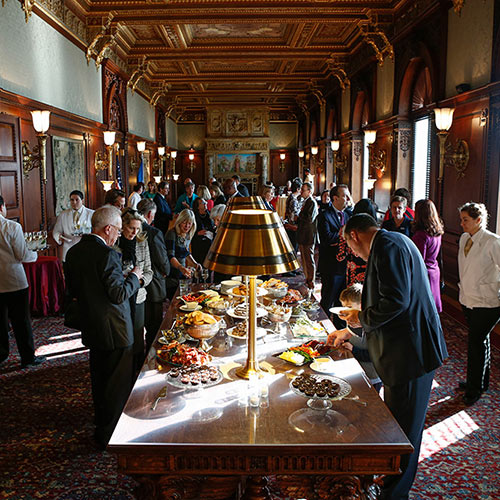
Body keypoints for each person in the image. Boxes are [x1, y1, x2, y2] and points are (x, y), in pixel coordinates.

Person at [334, 214, 447, 500]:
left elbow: (397, 300)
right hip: (407, 349)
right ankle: (392, 484)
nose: (355, 254)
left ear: (354, 236)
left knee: (405, 431)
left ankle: (395, 494)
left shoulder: (387, 246)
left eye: (351, 247)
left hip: (411, 353)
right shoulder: (391, 241)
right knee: (399, 424)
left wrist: (361, 316)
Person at [64, 206, 142, 448]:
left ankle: (101, 425)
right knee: (116, 386)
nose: (118, 235)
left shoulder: (74, 253)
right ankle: (110, 434)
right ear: (108, 229)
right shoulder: (107, 254)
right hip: (116, 329)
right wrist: (135, 278)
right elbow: (118, 294)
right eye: (117, 230)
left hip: (92, 325)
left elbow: (76, 291)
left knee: (99, 379)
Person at [457, 202, 500, 406]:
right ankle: (481, 382)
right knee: (481, 341)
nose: (462, 223)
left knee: (476, 343)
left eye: (465, 220)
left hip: (488, 302)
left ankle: (474, 389)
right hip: (468, 299)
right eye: (461, 219)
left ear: (478, 220)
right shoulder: (465, 238)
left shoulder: (493, 242)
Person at [0, 196, 45, 368]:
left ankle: (2, 354)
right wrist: (35, 255)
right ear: (2, 207)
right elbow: (22, 255)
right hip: (14, 281)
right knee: (21, 321)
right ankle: (27, 357)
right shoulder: (11, 226)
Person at [116, 209, 153, 371]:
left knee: (138, 335)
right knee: (122, 336)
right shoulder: (114, 243)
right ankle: (125, 368)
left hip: (138, 295)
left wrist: (138, 281)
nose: (134, 232)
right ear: (123, 225)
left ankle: (138, 369)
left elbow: (149, 271)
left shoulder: (142, 242)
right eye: (131, 228)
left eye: (138, 229)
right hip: (119, 297)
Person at [327, 284, 382, 393]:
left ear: (362, 305)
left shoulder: (371, 326)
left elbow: (375, 355)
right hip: (356, 368)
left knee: (370, 398)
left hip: (371, 375)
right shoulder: (354, 320)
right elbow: (353, 336)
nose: (346, 311)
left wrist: (354, 350)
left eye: (349, 307)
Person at [137, 199, 170, 354]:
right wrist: (166, 271)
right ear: (150, 214)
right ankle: (150, 356)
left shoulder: (130, 228)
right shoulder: (154, 233)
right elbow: (162, 260)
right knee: (153, 326)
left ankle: (138, 359)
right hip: (154, 285)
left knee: (138, 326)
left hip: (135, 285)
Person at [317, 184, 352, 321]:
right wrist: (344, 235)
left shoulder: (349, 215)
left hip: (345, 266)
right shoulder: (325, 216)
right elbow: (326, 239)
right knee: (328, 300)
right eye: (345, 196)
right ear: (335, 198)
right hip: (331, 266)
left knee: (342, 302)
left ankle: (339, 328)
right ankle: (321, 326)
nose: (348, 199)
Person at [412, 199, 444, 313]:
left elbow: (419, 259)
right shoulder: (436, 231)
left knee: (423, 308)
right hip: (434, 269)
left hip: (424, 273)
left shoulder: (421, 235)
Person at [165, 209, 201, 298]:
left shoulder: (187, 234)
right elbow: (170, 256)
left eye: (190, 223)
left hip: (182, 274)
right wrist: (181, 267)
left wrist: (195, 264)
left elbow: (185, 253)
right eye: (185, 223)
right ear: (179, 221)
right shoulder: (172, 233)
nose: (187, 226)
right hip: (172, 273)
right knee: (174, 301)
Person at [52, 190, 94, 262]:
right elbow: (56, 231)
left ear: (82, 201)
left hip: (86, 249)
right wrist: (59, 238)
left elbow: (95, 231)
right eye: (72, 200)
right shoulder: (63, 215)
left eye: (77, 200)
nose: (74, 202)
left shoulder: (91, 214)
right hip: (68, 249)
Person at [296, 182, 318, 291]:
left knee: (309, 260)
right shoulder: (306, 201)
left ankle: (311, 282)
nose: (301, 192)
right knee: (304, 259)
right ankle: (307, 279)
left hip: (308, 235)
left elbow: (309, 219)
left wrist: (299, 215)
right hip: (303, 234)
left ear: (309, 191)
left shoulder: (312, 202)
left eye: (303, 190)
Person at [191, 197, 215, 265]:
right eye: (203, 203)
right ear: (198, 206)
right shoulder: (194, 216)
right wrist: (198, 233)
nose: (205, 204)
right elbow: (189, 231)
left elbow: (212, 227)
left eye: (206, 202)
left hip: (208, 242)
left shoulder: (209, 214)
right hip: (198, 243)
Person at [284, 179, 302, 253]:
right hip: (292, 225)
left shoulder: (291, 197)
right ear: (298, 189)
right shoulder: (294, 200)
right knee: (294, 246)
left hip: (289, 223)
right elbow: (295, 213)